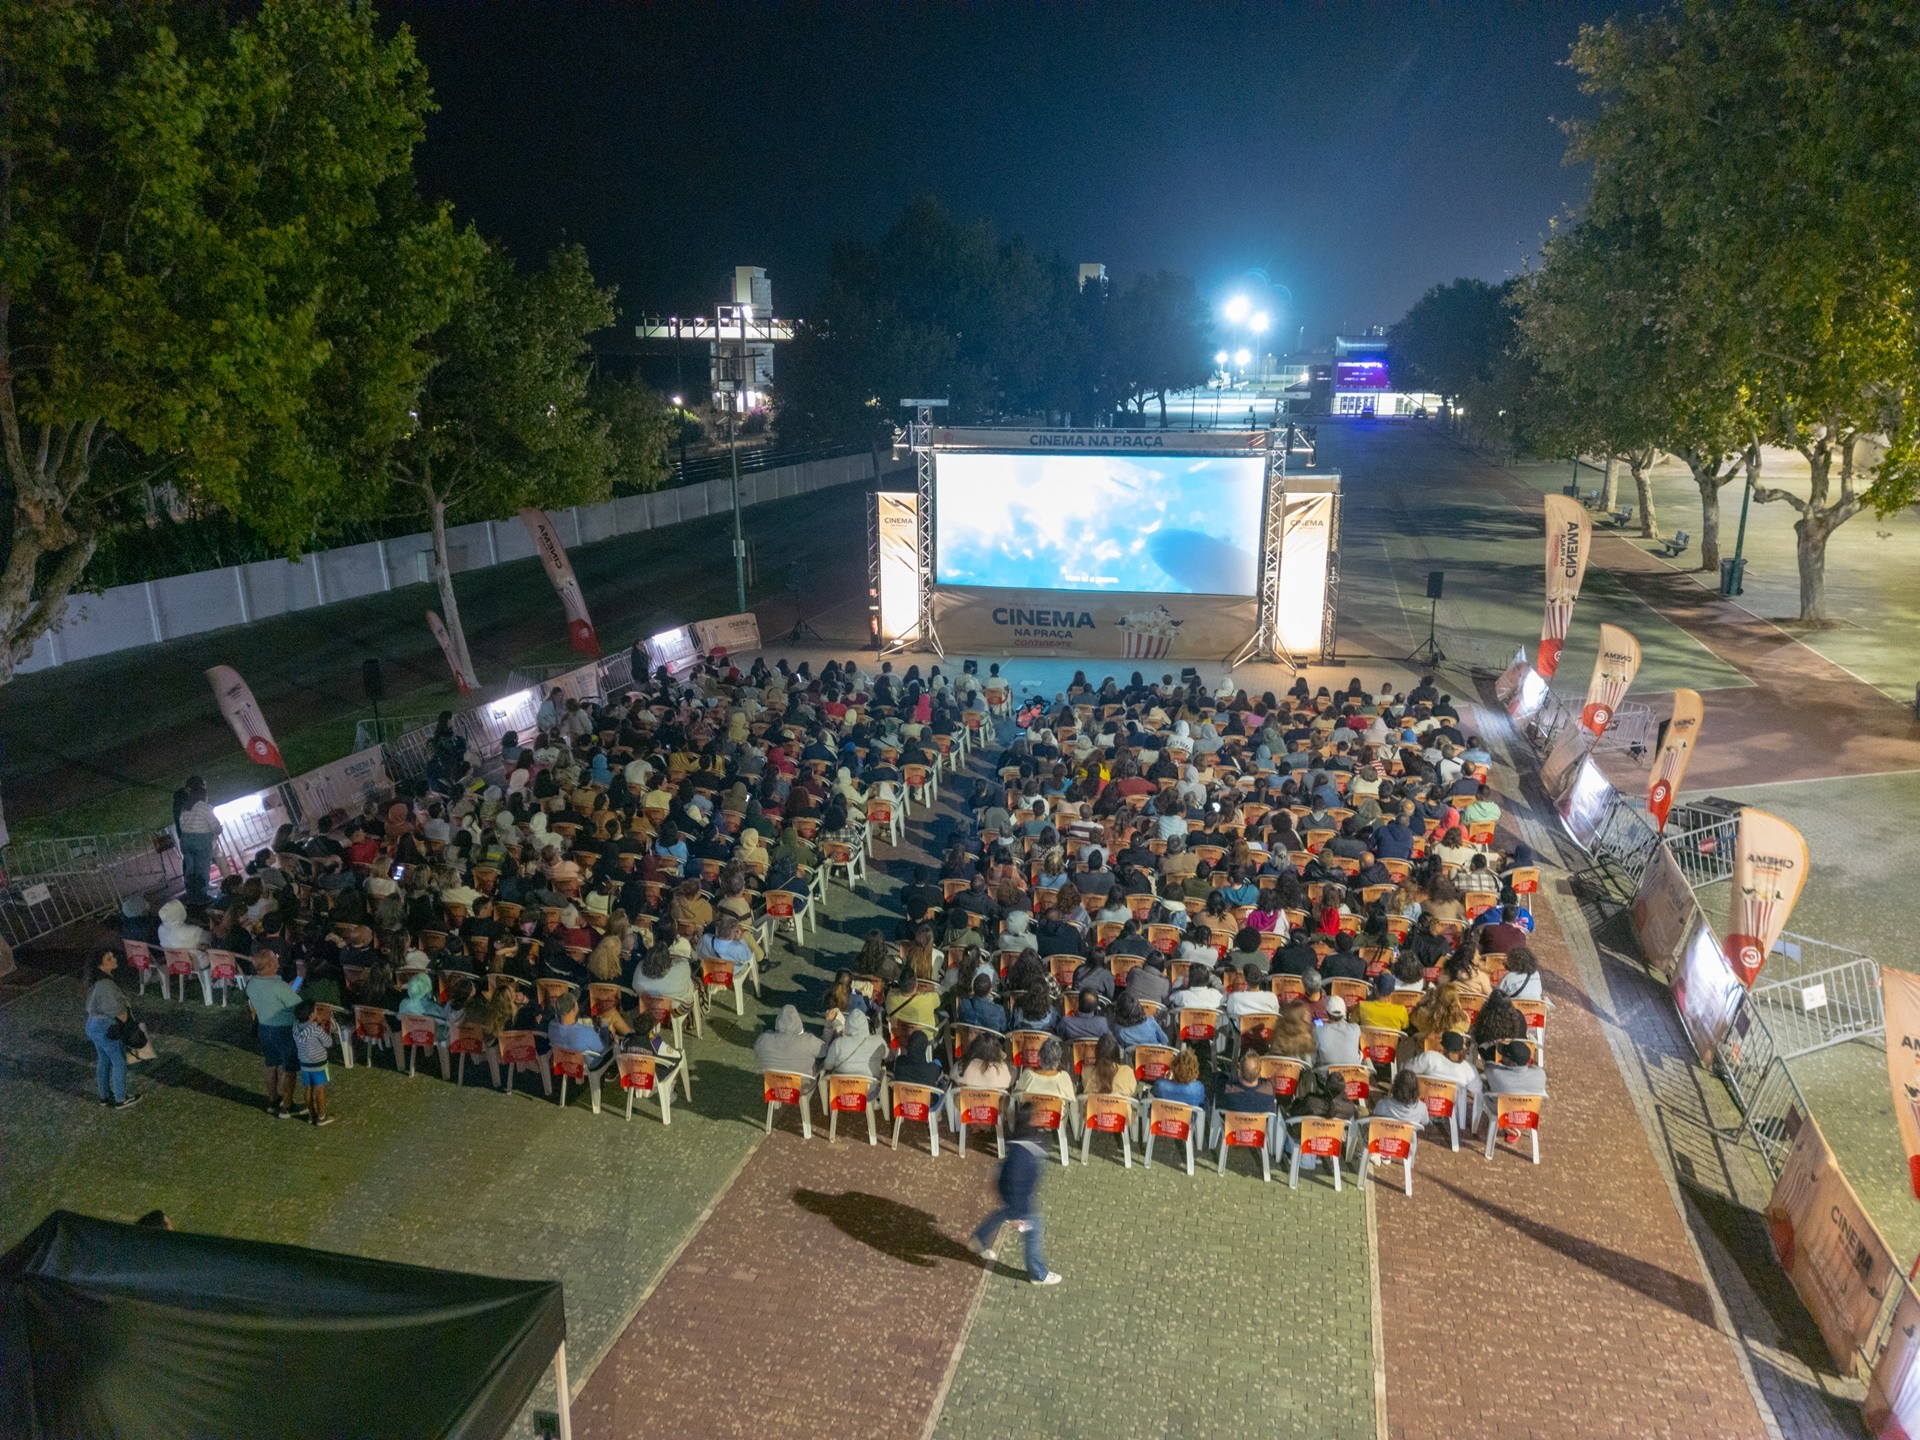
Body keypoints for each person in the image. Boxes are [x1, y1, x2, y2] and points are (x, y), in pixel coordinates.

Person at [967, 1102, 1063, 1286]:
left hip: (1014, 1198)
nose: (1041, 1117)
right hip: (1021, 1203)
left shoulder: (1021, 1143)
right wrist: (1019, 1212)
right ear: (1030, 1121)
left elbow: (1003, 1172)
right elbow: (1016, 1180)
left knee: (1003, 1213)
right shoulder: (1025, 1152)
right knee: (1033, 1230)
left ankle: (978, 1239)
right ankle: (1038, 1273)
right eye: (1037, 1115)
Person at [244, 951, 304, 1119]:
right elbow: (297, 1006)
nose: (278, 963)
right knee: (288, 1068)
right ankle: (287, 1106)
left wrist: (292, 984)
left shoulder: (252, 983)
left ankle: (273, 1101)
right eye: (275, 961)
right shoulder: (278, 986)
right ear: (269, 966)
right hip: (283, 1031)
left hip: (264, 1028)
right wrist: (297, 983)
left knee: (271, 1065)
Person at [84, 949, 140, 1110]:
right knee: (119, 1061)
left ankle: (104, 1095)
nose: (114, 959)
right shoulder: (106, 985)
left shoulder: (97, 981)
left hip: (93, 1026)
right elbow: (120, 1014)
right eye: (108, 958)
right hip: (106, 1029)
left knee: (104, 1059)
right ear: (100, 965)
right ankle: (121, 1098)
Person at [175, 776, 222, 905]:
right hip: (200, 840)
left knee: (190, 870)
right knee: (201, 870)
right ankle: (201, 897)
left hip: (186, 840)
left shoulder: (186, 807)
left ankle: (191, 896)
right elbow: (215, 826)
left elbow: (181, 823)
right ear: (203, 796)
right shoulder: (204, 807)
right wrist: (219, 829)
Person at [292, 1000, 338, 1126]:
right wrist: (319, 1024)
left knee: (308, 1089)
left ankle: (312, 1115)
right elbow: (328, 1043)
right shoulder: (315, 1030)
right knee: (319, 1090)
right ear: (311, 1015)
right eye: (316, 1011)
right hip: (319, 1063)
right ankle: (322, 1116)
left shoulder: (295, 1026)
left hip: (304, 1063)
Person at [755, 1004, 826, 1077]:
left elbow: (757, 1052)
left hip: (773, 1085)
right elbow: (824, 1051)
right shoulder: (808, 1041)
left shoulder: (764, 1039)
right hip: (804, 1086)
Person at [1313, 994, 1363, 1072]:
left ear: (1326, 1012)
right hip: (1352, 1075)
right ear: (1345, 1011)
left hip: (1326, 1077)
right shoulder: (1355, 1028)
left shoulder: (1318, 1030)